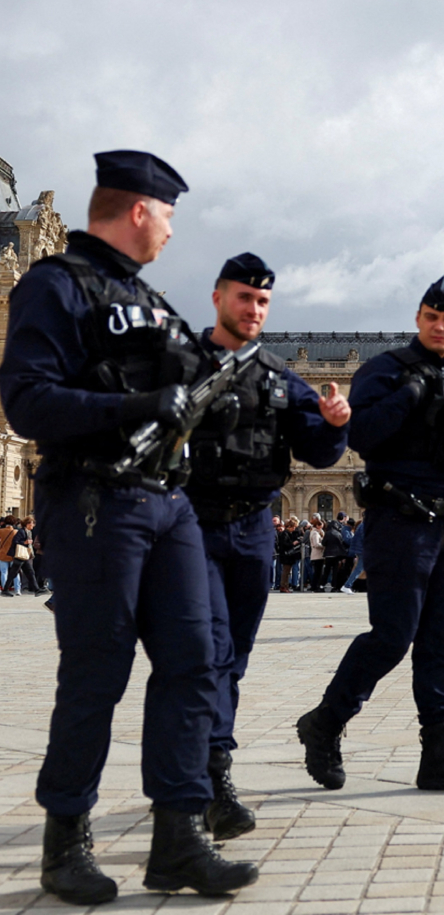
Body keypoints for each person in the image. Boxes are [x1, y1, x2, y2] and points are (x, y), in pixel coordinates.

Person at [0, 151, 258, 902]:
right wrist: (130, 410)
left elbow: (193, 379)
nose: (174, 232)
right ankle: (65, 839)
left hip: (168, 504)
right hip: (94, 500)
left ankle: (178, 835)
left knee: (195, 663)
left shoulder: (147, 298)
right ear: (139, 211)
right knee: (96, 671)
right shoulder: (56, 286)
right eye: (169, 216)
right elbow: (27, 403)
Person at [296, 273, 444, 795]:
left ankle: (439, 751)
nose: (440, 326)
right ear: (418, 319)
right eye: (432, 317)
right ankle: (326, 721)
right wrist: (411, 397)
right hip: (400, 520)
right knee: (391, 636)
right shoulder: (384, 371)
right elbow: (360, 435)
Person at [185, 252, 351, 840]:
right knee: (206, 654)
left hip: (255, 526)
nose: (253, 309)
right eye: (243, 297)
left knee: (234, 656)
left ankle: (211, 770)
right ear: (218, 298)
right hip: (193, 524)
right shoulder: (182, 364)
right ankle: (208, 778)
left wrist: (334, 422)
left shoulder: (279, 377)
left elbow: (322, 453)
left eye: (262, 301)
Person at [277, 517, 305, 592]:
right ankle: (283, 586)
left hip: (288, 555)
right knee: (286, 572)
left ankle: (285, 586)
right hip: (286, 555)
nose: (294, 529)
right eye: (293, 527)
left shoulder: (287, 533)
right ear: (290, 527)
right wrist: (293, 543)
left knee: (287, 572)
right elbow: (284, 544)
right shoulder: (285, 533)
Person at [340, 519, 366, 593]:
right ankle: (347, 585)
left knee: (359, 569)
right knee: (359, 569)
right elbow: (366, 538)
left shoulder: (362, 525)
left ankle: (347, 585)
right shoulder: (365, 526)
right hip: (363, 550)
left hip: (361, 550)